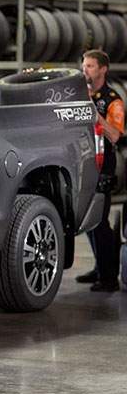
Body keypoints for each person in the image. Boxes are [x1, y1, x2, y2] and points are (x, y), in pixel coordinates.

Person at [76, 50, 125, 292]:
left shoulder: (113, 100)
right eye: (84, 65)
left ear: (103, 69)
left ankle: (108, 278)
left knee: (100, 221)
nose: (85, 70)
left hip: (104, 164)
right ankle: (100, 267)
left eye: (90, 66)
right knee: (86, 219)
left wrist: (93, 113)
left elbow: (115, 135)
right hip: (84, 162)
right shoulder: (80, 93)